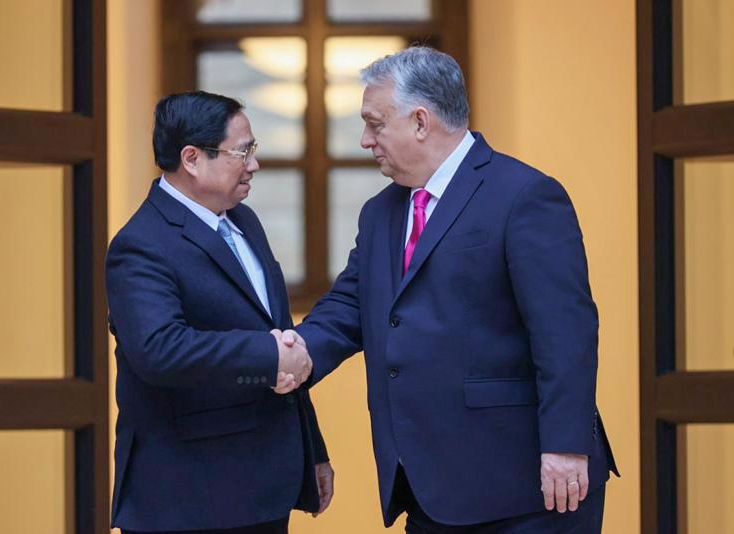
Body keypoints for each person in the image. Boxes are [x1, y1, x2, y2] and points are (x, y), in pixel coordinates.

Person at [286, 46, 618, 533]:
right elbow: (349, 307)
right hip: (427, 485)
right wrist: (291, 355)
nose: (364, 140)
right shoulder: (379, 214)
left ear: (420, 121)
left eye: (375, 124)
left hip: (527, 486)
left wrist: (565, 446)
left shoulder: (524, 195)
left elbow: (565, 331)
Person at [105, 90, 333, 534]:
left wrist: (313, 451)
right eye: (242, 151)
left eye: (254, 149)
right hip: (188, 497)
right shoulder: (141, 245)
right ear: (192, 158)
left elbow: (279, 332)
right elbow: (159, 350)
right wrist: (267, 358)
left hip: (262, 485)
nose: (254, 164)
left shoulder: (244, 221)